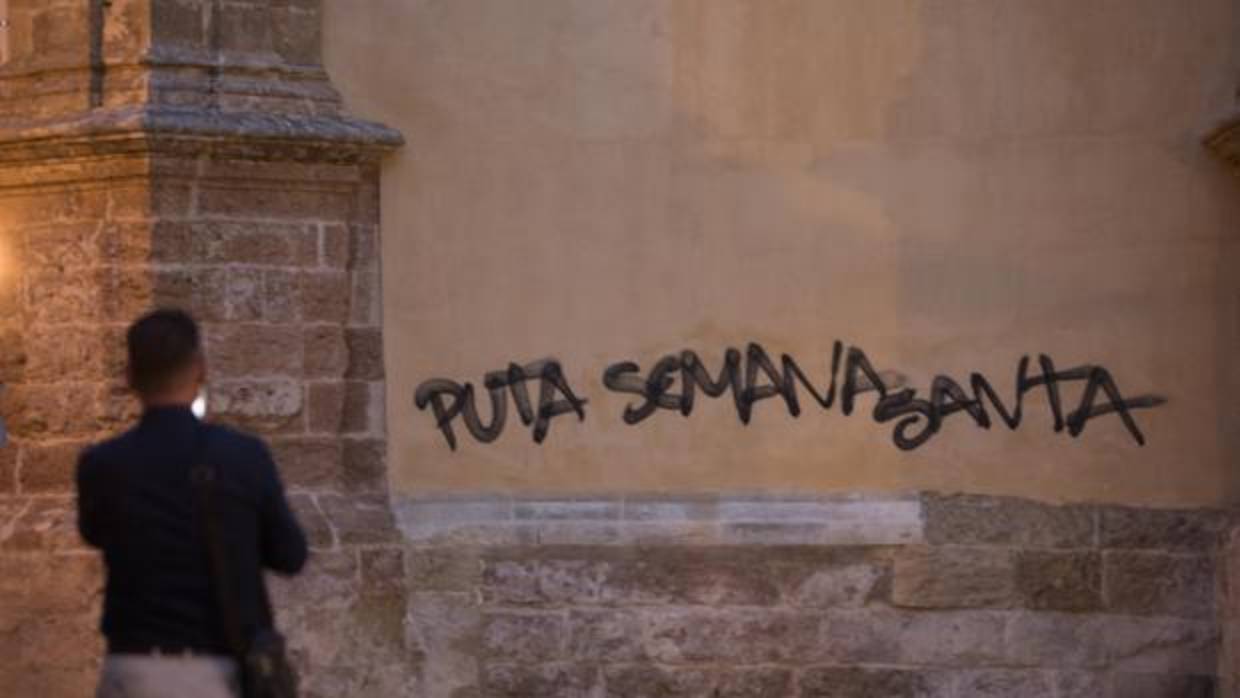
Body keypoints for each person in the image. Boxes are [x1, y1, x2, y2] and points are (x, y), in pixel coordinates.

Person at [76, 308, 308, 698]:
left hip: (131, 668)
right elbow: (290, 554)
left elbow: (94, 532)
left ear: (129, 377)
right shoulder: (243, 457)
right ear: (200, 370)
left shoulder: (102, 464)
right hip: (214, 671)